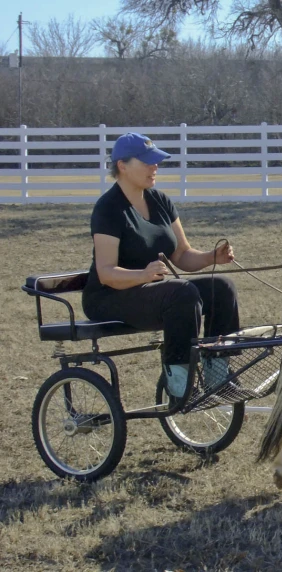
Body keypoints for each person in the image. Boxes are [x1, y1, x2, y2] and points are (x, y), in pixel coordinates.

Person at [82, 132, 240, 398]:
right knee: (181, 292)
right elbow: (106, 273)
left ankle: (217, 375)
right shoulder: (108, 208)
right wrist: (143, 274)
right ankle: (179, 381)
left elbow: (182, 255)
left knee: (221, 287)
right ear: (122, 165)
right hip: (108, 297)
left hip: (149, 293)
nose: (154, 167)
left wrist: (212, 257)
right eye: (146, 161)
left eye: (155, 161)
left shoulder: (160, 201)